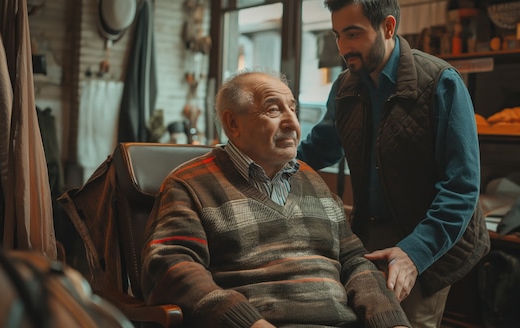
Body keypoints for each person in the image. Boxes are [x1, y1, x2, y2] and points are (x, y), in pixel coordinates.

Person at [140, 70, 411, 328]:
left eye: (292, 108)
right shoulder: (189, 184)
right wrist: (246, 322)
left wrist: (391, 320)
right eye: (273, 109)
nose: (292, 123)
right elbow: (170, 266)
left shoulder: (313, 181)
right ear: (232, 123)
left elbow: (354, 262)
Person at [297, 1, 491, 326]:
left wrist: (415, 253)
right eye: (337, 35)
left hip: (431, 238)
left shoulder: (441, 83)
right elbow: (318, 150)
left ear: (388, 27)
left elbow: (461, 189)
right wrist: (261, 168)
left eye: (353, 34)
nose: (344, 47)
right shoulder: (344, 88)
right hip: (368, 234)